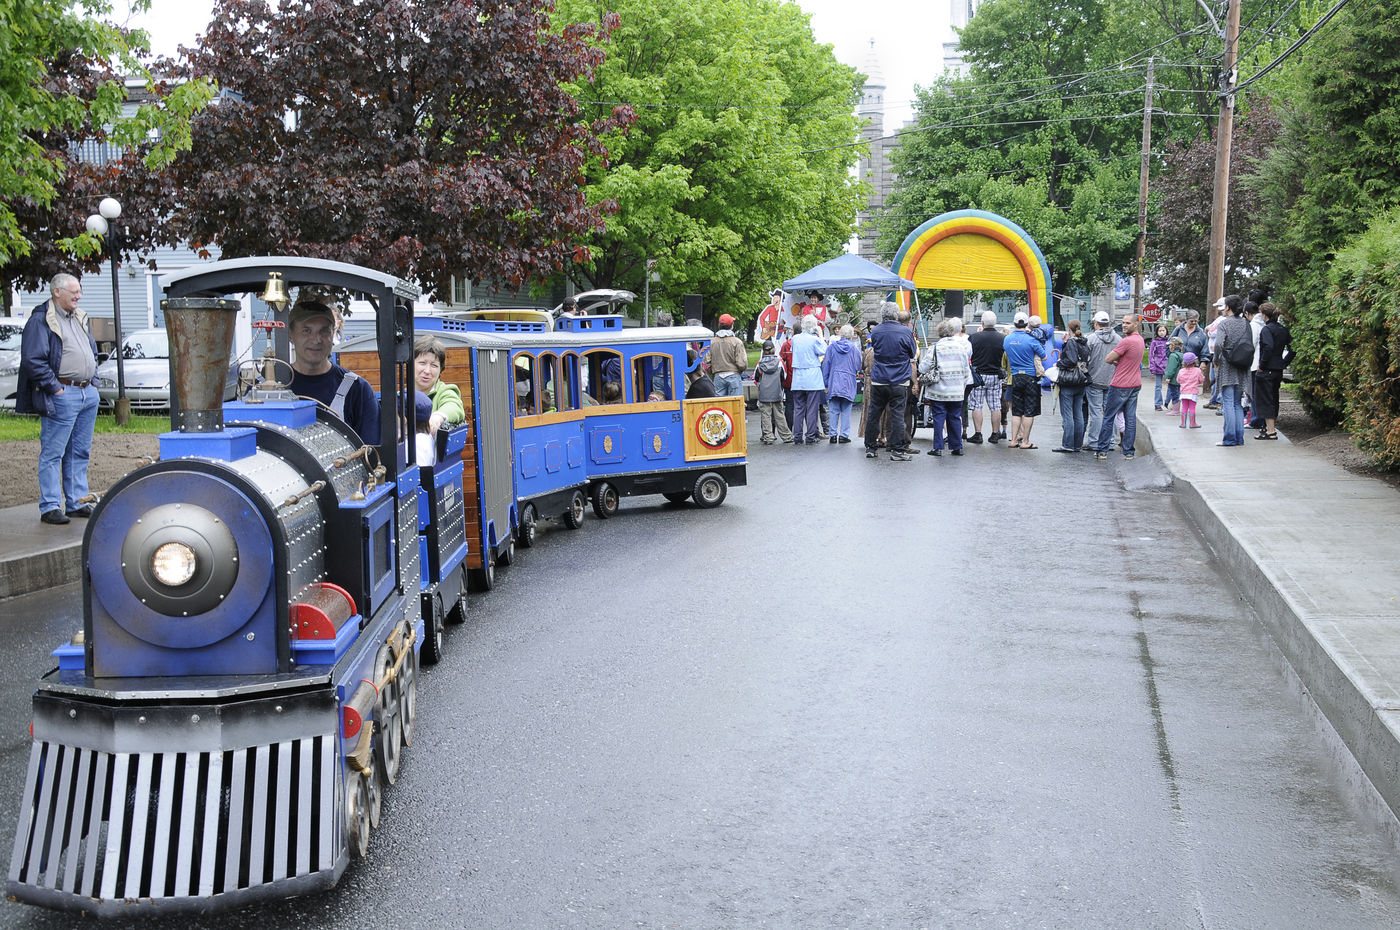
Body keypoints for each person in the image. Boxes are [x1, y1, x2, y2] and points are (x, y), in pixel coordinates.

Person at [18, 273, 99, 525]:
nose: (78, 296)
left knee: (80, 451)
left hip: (87, 393)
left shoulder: (78, 317)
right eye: (74, 292)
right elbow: (32, 359)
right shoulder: (41, 320)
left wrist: (93, 381)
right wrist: (55, 388)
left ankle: (77, 502)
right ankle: (50, 506)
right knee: (53, 452)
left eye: (79, 291)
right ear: (56, 292)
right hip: (64, 393)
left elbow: (91, 350)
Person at [289, 299, 380, 444]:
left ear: (333, 334)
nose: (316, 340)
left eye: (324, 331)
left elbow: (371, 450)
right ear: (291, 335)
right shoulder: (271, 389)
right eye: (306, 331)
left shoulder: (357, 389)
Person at [864, 304, 917, 461]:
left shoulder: (876, 331)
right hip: (899, 379)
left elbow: (875, 348)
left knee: (874, 414)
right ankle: (897, 450)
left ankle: (871, 447)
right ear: (896, 315)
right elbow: (912, 353)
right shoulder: (905, 331)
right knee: (897, 416)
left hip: (879, 378)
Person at [919, 319, 973, 456]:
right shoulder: (961, 347)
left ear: (939, 333)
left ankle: (938, 447)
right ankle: (957, 446)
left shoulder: (935, 348)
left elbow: (923, 368)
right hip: (957, 390)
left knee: (938, 417)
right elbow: (966, 370)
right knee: (955, 416)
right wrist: (961, 384)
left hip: (938, 390)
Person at [1093, 320, 1145, 460]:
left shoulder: (1126, 341)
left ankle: (1102, 450)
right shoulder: (1140, 340)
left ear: (1135, 324)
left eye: (1128, 322)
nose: (1124, 325)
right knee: (1130, 418)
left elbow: (1108, 358)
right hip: (1135, 383)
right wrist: (1121, 362)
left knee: (1109, 416)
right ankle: (1128, 451)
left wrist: (1117, 362)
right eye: (1123, 322)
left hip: (1120, 384)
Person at [1002, 311, 1046, 449]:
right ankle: (1025, 441)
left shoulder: (1007, 339)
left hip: (1015, 376)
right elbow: (1044, 356)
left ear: (1014, 323)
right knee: (1029, 411)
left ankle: (1014, 440)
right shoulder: (1031, 339)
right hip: (1030, 377)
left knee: (1016, 411)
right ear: (1027, 324)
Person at [1213, 300, 1252, 446]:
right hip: (1242, 365)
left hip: (1227, 365)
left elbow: (1218, 344)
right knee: (1237, 403)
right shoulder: (1246, 323)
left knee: (1228, 402)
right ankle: (1239, 437)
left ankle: (1229, 438)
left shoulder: (1224, 323)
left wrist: (1216, 359)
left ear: (1228, 307)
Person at [1084, 310, 1121, 451]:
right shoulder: (1118, 339)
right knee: (1110, 412)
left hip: (1094, 380)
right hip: (1112, 380)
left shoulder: (1091, 339)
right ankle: (1110, 442)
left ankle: (1094, 441)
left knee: (1096, 412)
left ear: (1096, 323)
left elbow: (1085, 359)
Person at [1253, 303, 1291, 440]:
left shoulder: (1267, 330)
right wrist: (1284, 362)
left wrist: (1262, 365)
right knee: (1274, 398)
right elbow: (1293, 349)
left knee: (1265, 399)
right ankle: (1270, 427)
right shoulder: (1283, 329)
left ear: (1264, 315)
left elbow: (1268, 347)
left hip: (1267, 369)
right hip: (1278, 368)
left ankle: (1270, 430)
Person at [967, 311, 1005, 444]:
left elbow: (968, 355)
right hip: (995, 374)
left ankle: (978, 434)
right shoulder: (1002, 338)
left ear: (982, 323)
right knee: (995, 405)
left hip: (978, 375)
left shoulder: (974, 337)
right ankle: (995, 433)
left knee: (977, 405)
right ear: (995, 323)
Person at [413, 335, 465, 432]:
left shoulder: (445, 391)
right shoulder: (402, 396)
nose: (427, 371)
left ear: (441, 369)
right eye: (422, 363)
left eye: (434, 365)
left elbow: (453, 406)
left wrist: (438, 417)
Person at [821, 324, 862, 444]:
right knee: (846, 409)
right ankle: (844, 435)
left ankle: (833, 434)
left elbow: (826, 365)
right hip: (848, 380)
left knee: (833, 409)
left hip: (834, 379)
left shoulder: (832, 347)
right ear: (851, 335)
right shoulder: (854, 349)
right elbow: (858, 366)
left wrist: (825, 382)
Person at [789, 316, 827, 443]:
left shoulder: (795, 339)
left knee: (798, 408)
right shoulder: (814, 340)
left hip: (798, 377)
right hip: (812, 377)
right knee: (812, 408)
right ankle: (810, 436)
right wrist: (820, 335)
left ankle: (797, 436)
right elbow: (824, 350)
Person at [1054, 319, 1089, 453]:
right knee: (1078, 414)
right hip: (1081, 380)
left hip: (1069, 381)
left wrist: (1059, 363)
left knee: (1068, 414)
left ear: (1069, 329)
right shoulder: (1084, 342)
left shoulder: (1071, 342)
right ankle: (1077, 444)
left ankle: (1067, 444)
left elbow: (1071, 360)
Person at [753, 340, 794, 444]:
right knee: (779, 415)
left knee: (766, 416)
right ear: (774, 349)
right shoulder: (779, 362)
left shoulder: (760, 364)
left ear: (763, 351)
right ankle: (787, 436)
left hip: (764, 394)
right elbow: (784, 376)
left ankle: (768, 436)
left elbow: (756, 378)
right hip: (776, 392)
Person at [710, 313, 748, 397]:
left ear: (719, 325)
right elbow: (742, 363)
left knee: (719, 403)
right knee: (736, 403)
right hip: (734, 376)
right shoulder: (737, 342)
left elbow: (707, 362)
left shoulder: (712, 342)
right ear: (732, 325)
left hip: (718, 376)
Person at [1176, 352, 1204, 428]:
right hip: (1192, 393)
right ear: (1194, 361)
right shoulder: (1197, 370)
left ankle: (1183, 423)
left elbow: (1178, 380)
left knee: (1184, 407)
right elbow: (1201, 380)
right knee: (1192, 408)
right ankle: (1192, 423)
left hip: (1183, 392)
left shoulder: (1181, 371)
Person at [1148, 323, 1170, 410]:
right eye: (1160, 331)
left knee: (1171, 386)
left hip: (1168, 365)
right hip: (1158, 366)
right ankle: (1157, 404)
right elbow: (1151, 355)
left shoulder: (1169, 341)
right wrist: (1152, 367)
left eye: (1163, 330)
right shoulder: (1154, 342)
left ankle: (1168, 402)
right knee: (1158, 386)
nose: (1161, 332)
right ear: (1157, 332)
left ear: (1166, 331)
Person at [1163, 336, 1184, 413]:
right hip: (1181, 379)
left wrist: (1168, 377)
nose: (1169, 347)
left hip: (1174, 379)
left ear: (1173, 346)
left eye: (1170, 345)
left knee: (1174, 394)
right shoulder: (1182, 355)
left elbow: (1171, 368)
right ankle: (1176, 408)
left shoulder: (1173, 356)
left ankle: (1175, 410)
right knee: (1178, 393)